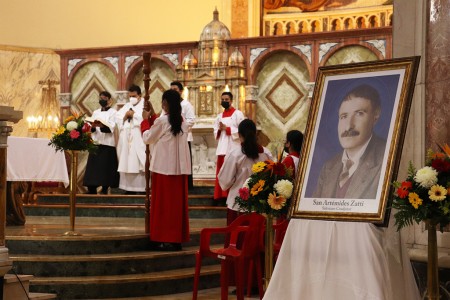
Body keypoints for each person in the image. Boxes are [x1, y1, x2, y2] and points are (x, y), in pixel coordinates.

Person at [313, 84, 386, 199]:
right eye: (344, 116)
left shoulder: (387, 160)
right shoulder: (329, 167)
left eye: (359, 114)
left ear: (375, 115)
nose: (348, 127)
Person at [141, 89, 191, 251]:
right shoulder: (182, 121)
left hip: (163, 170)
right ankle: (176, 239)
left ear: (166, 103)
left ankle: (162, 238)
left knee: (163, 206)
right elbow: (165, 125)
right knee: (176, 207)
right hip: (179, 171)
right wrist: (153, 116)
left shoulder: (163, 121)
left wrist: (144, 122)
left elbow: (148, 138)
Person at [218, 119, 273, 225]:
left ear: (239, 134)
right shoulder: (266, 153)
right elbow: (271, 177)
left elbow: (225, 181)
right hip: (259, 204)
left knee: (237, 239)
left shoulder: (234, 154)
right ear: (255, 133)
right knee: (256, 239)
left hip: (237, 204)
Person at [83, 91, 120, 194]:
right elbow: (91, 126)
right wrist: (93, 126)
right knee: (93, 168)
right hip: (96, 142)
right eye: (100, 98)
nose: (102, 100)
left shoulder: (114, 112)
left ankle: (104, 189)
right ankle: (92, 189)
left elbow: (112, 126)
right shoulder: (96, 112)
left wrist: (102, 126)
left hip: (108, 143)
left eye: (104, 98)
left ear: (109, 100)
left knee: (106, 168)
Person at [213, 91, 245, 204]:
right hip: (222, 147)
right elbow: (215, 131)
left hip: (233, 147)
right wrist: (219, 130)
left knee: (231, 172)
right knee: (221, 173)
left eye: (226, 99)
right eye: (222, 100)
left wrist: (227, 129)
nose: (224, 101)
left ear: (231, 101)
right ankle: (220, 196)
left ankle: (230, 195)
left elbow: (242, 130)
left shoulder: (238, 114)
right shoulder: (219, 116)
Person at [115, 84, 146, 194]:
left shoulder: (145, 105)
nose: (131, 98)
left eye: (134, 96)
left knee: (138, 162)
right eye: (130, 96)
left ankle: (141, 188)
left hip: (138, 137)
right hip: (126, 137)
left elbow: (147, 118)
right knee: (126, 161)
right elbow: (118, 117)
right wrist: (125, 117)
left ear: (139, 95)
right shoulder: (127, 105)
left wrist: (134, 115)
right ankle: (128, 188)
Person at [170, 81, 196, 189]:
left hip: (184, 137)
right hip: (171, 137)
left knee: (185, 161)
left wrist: (179, 123)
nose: (173, 92)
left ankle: (187, 185)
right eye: (171, 90)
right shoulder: (169, 105)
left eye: (175, 90)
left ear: (181, 91)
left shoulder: (186, 105)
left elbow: (191, 120)